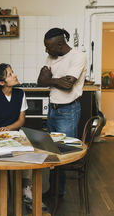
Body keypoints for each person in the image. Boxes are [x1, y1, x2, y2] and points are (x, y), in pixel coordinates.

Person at [0, 63, 48, 211]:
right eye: (10, 74)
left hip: (15, 135)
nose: (15, 75)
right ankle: (3, 195)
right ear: (1, 82)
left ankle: (26, 190)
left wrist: (9, 128)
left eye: (13, 72)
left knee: (30, 153)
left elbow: (21, 120)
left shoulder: (20, 93)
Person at [37, 27, 87, 196]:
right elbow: (40, 80)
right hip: (53, 109)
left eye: (48, 47)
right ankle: (55, 190)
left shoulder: (78, 56)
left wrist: (50, 79)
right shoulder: (51, 56)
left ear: (60, 44)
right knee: (52, 152)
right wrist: (55, 80)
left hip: (68, 111)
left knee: (63, 153)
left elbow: (68, 84)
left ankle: (60, 192)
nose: (46, 50)